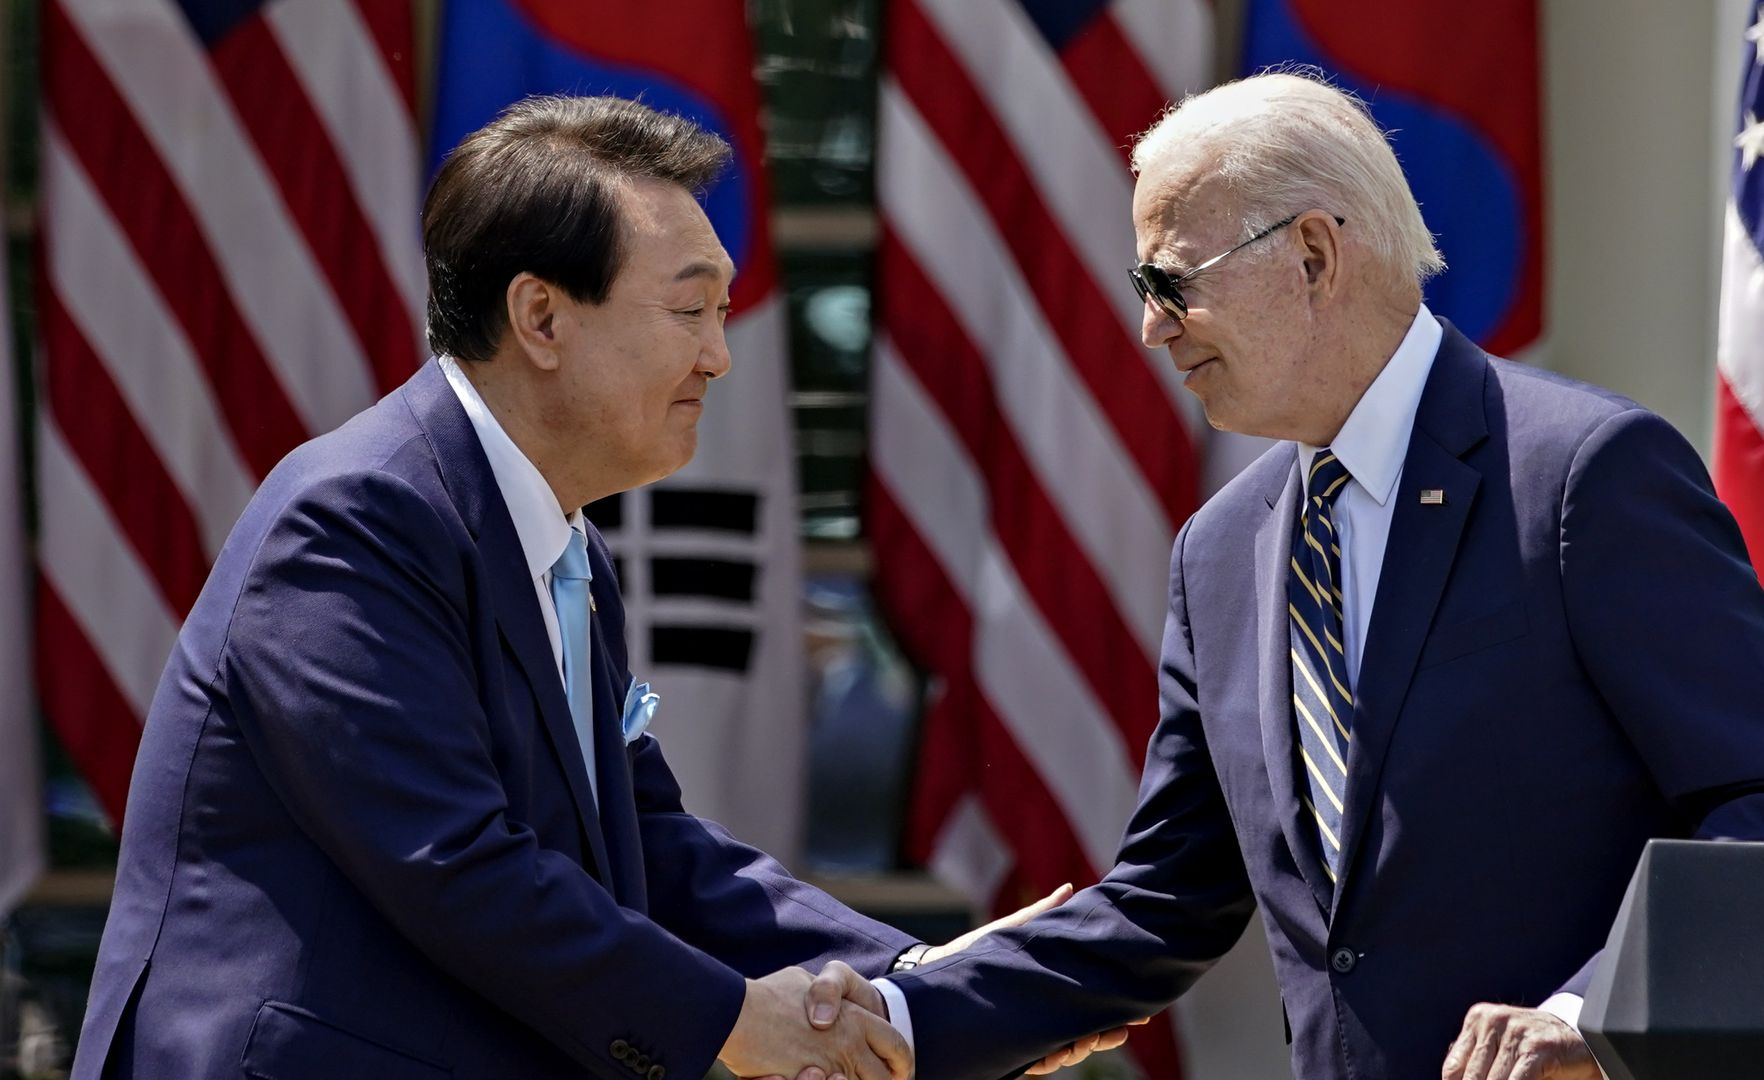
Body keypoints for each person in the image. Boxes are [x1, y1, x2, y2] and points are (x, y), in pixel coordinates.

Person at [865, 71, 1764, 1080]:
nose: (1152, 329)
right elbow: (1160, 903)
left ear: (1311, 254)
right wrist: (895, 1020)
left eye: (1170, 284)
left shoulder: (1581, 475)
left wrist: (1592, 1018)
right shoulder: (1218, 554)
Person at [68, 94, 1042, 1080]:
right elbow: (455, 862)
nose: (719, 354)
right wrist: (739, 1021)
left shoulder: (560, 540)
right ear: (540, 316)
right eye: (690, 308)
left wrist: (914, 977)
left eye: (723, 312)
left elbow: (651, 846)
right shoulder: (355, 518)